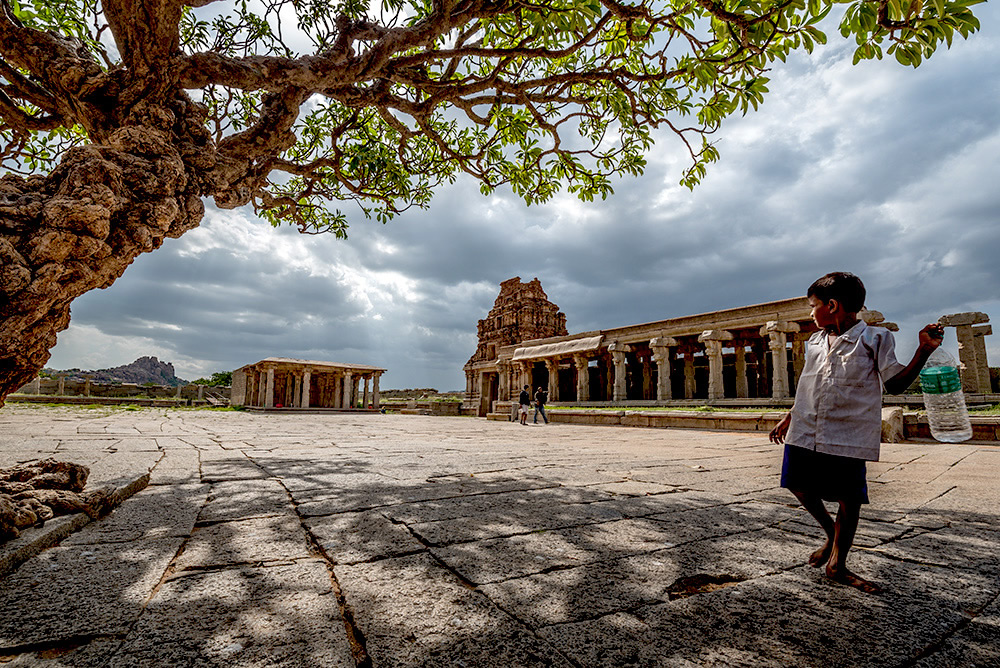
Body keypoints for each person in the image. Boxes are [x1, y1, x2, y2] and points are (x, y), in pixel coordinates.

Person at [769, 271, 943, 594]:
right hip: (806, 427)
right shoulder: (815, 341)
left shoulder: (875, 339)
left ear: (832, 306)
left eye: (813, 306)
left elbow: (894, 383)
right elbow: (809, 384)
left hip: (847, 432)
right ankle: (831, 533)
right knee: (797, 483)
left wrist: (923, 351)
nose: (811, 313)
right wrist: (790, 415)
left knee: (849, 500)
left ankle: (838, 564)